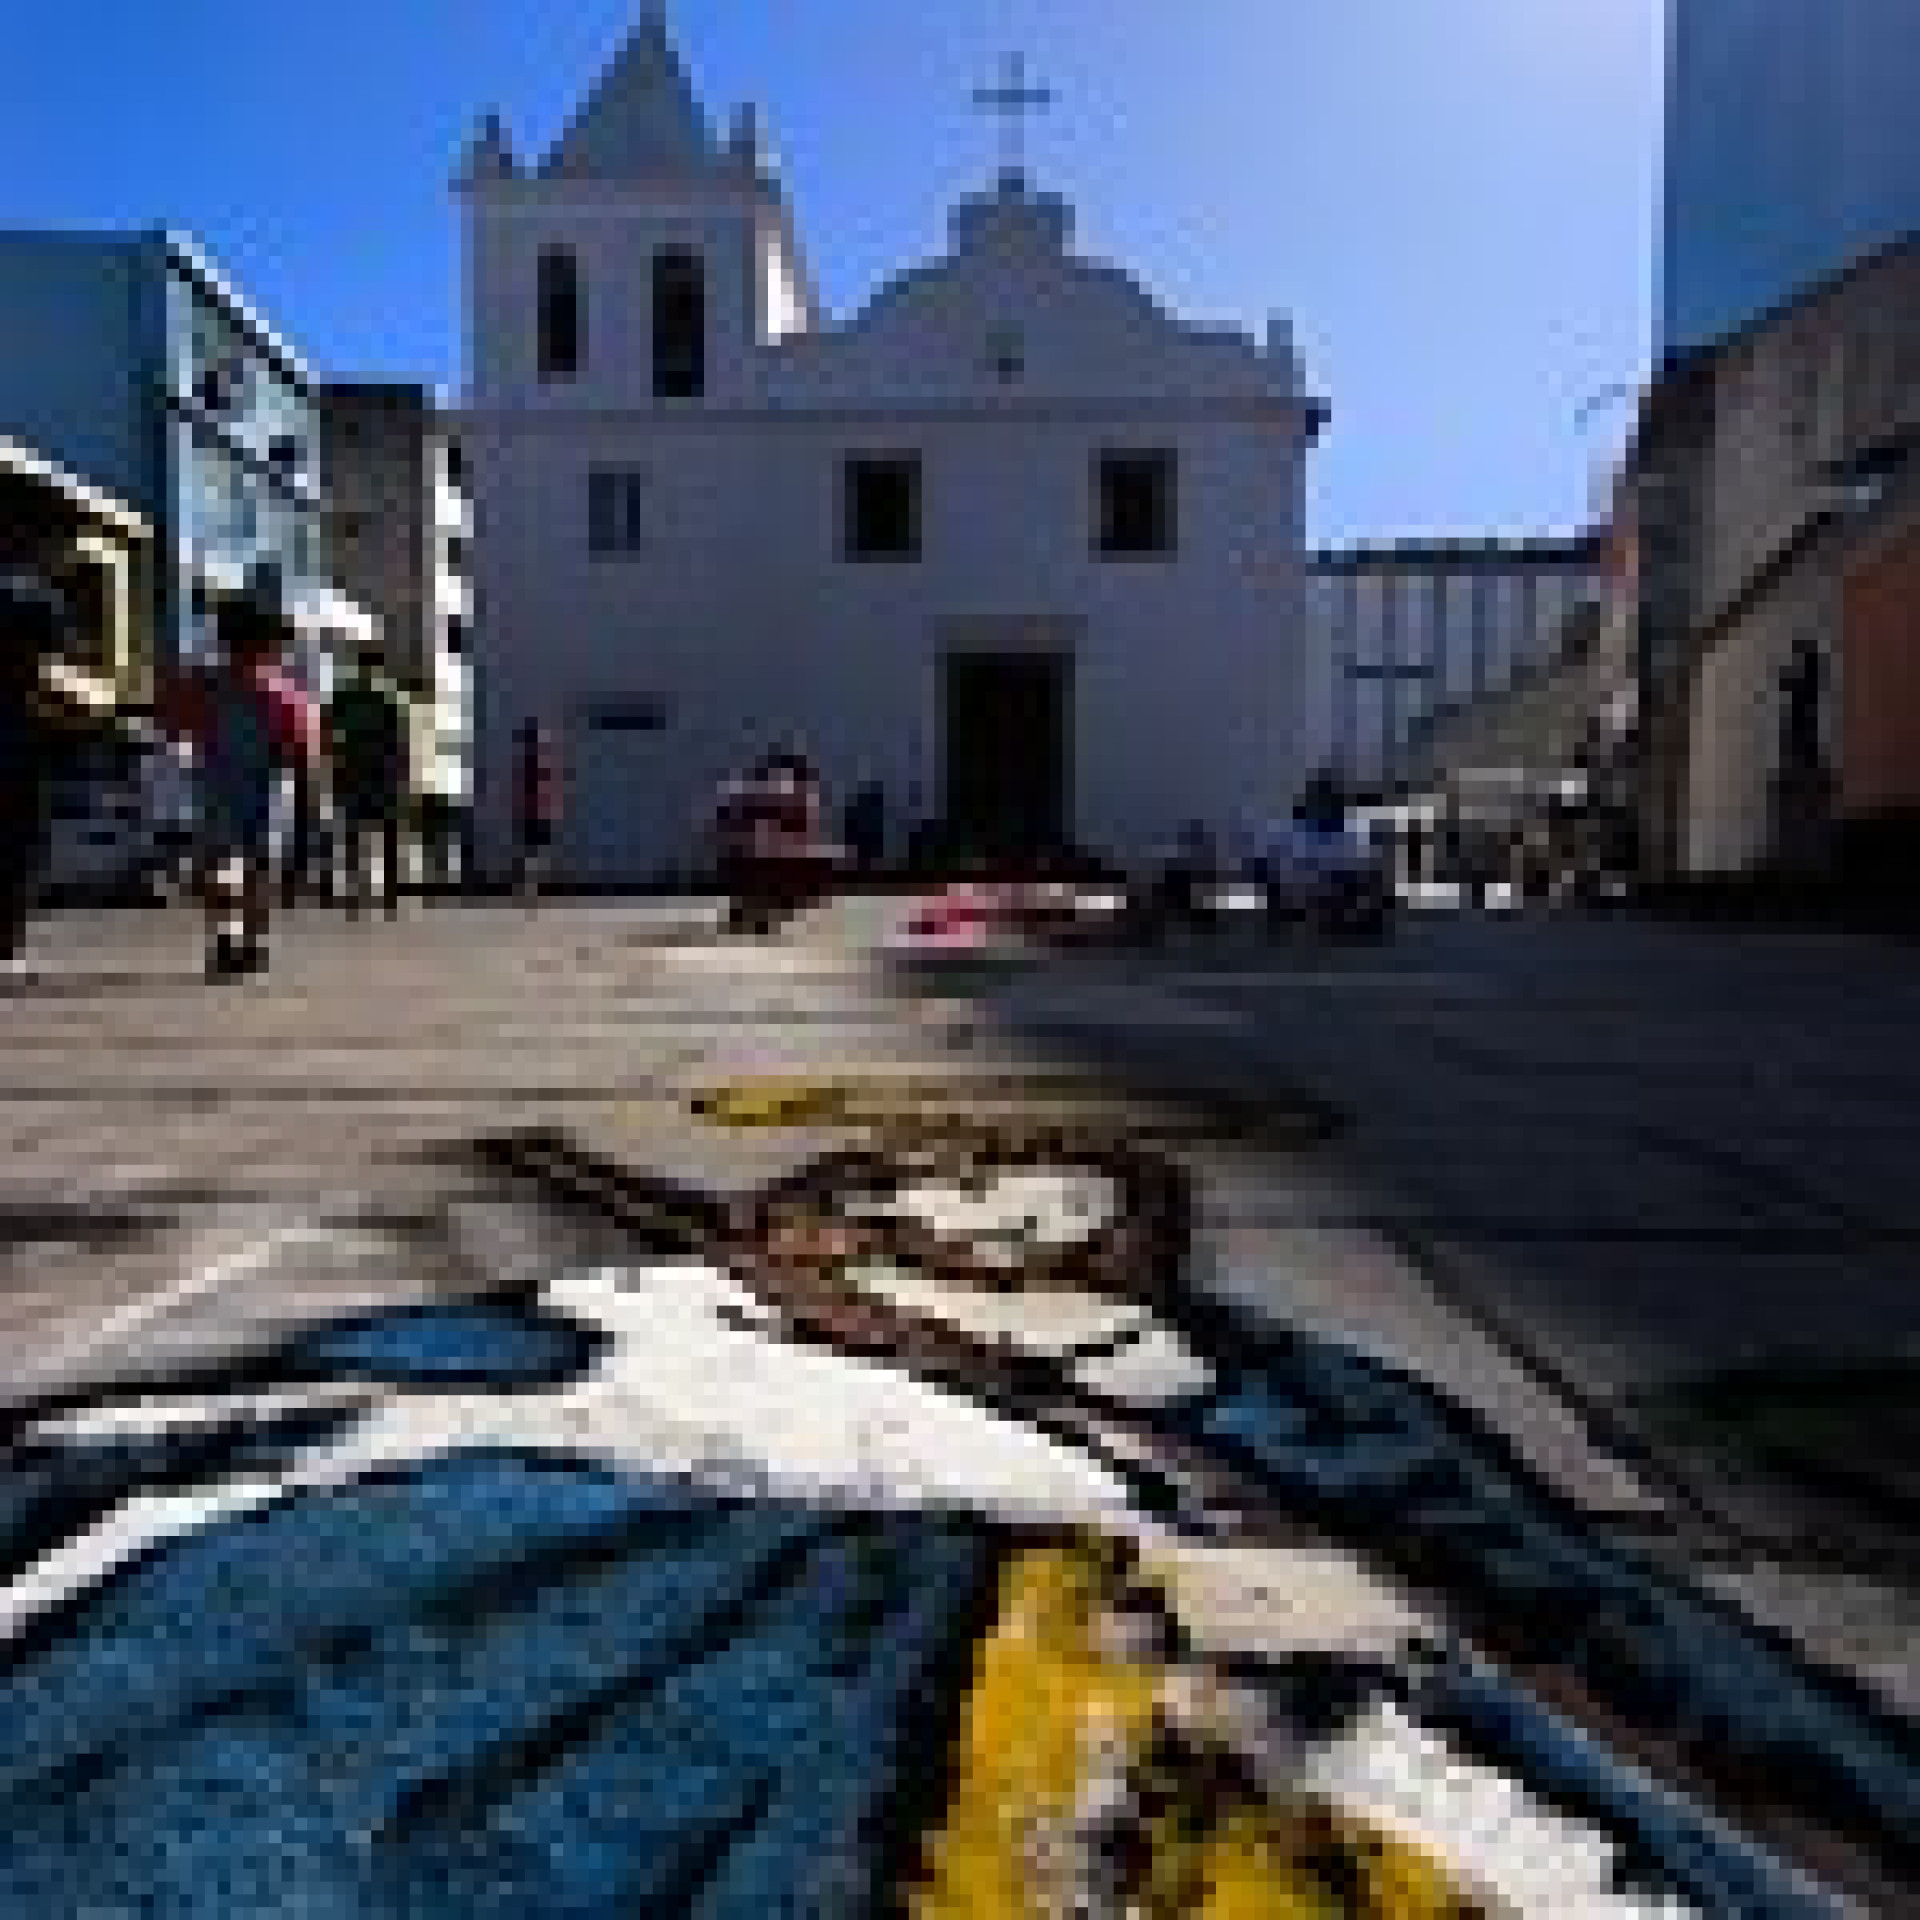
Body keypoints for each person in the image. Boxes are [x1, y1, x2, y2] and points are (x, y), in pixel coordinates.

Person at [162, 568, 319, 980]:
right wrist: (310, 795)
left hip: (214, 783)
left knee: (220, 863)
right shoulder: (284, 694)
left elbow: (175, 728)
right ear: (269, 645)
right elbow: (301, 750)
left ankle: (225, 934)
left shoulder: (202, 685)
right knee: (260, 868)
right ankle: (255, 940)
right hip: (268, 789)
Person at [0, 572, 64, 970]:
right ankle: (6, 947)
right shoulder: (35, 597)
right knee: (17, 844)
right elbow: (54, 662)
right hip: (19, 730)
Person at [325, 644, 411, 921]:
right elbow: (400, 739)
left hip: (352, 770)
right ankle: (389, 898)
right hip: (383, 773)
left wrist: (336, 765)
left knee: (352, 837)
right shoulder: (392, 695)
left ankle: (354, 896)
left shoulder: (345, 693)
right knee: (388, 837)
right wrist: (402, 772)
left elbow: (330, 732)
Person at [513, 719, 561, 904]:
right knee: (536, 851)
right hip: (535, 811)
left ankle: (534, 887)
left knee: (534, 851)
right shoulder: (537, 764)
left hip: (535, 811)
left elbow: (544, 787)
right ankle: (534, 888)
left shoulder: (534, 763)